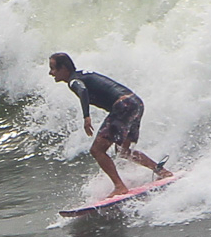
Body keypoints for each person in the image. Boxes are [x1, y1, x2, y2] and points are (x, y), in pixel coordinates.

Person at [48, 52, 171, 197]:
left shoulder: (74, 81)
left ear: (64, 68)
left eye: (53, 68)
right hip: (135, 103)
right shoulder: (82, 75)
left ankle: (120, 186)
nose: (50, 73)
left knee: (97, 150)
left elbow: (83, 90)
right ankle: (161, 171)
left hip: (123, 105)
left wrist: (86, 116)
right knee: (123, 151)